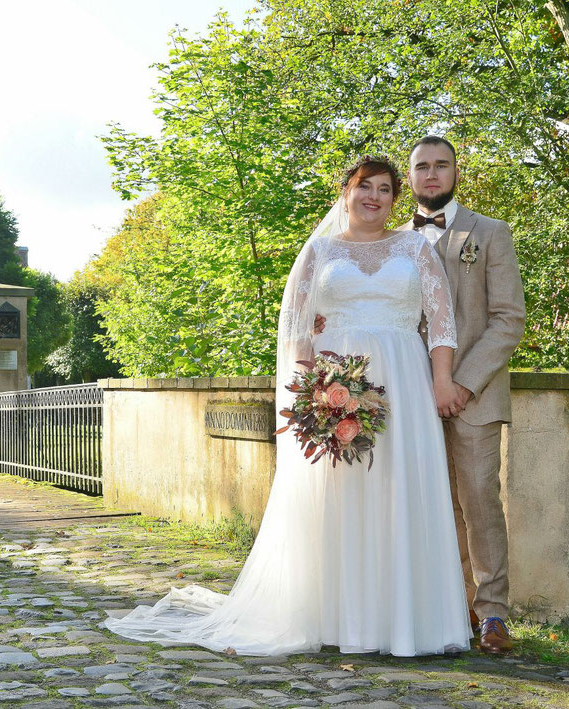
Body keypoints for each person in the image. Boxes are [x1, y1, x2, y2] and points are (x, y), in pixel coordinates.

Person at [104, 156, 471, 657]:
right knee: (339, 495)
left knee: (398, 489)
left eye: (385, 190)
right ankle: (339, 620)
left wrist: (442, 379)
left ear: (394, 199)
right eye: (366, 187)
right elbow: (297, 328)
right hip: (335, 380)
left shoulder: (417, 249)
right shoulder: (319, 252)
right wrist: (311, 391)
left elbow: (442, 323)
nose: (375, 197)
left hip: (404, 384)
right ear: (346, 192)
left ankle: (405, 624)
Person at [400, 135, 526, 655]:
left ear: (456, 171)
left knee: (478, 500)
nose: (431, 175)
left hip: (474, 395)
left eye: (441, 165)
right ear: (410, 177)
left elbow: (507, 320)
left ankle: (492, 613)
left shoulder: (490, 233)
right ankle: (451, 606)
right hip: (408, 396)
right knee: (430, 502)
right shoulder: (391, 242)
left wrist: (461, 382)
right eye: (422, 167)